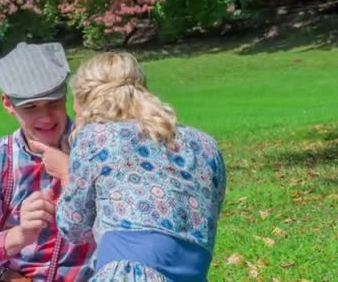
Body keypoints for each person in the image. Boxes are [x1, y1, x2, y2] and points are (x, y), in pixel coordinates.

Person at [53, 52, 226, 281]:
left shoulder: (96, 136)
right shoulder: (206, 144)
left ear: (86, 101)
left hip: (128, 273)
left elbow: (74, 228)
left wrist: (66, 173)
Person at [0, 42, 95, 282]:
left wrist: (70, 175)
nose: (45, 117)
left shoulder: (95, 146)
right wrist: (20, 235)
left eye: (53, 103)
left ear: (66, 95)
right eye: (31, 108)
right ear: (8, 104)